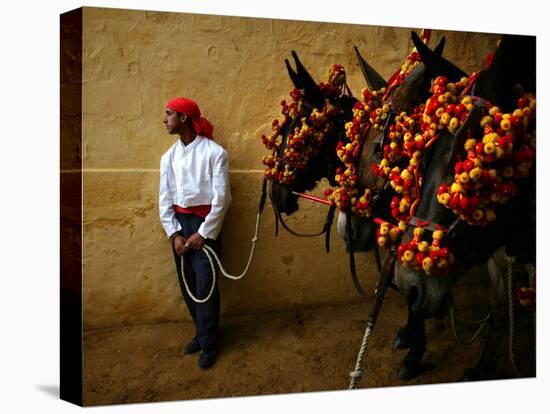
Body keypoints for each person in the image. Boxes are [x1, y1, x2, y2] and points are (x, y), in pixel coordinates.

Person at [159, 97, 231, 369]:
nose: (164, 120)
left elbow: (222, 199)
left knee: (205, 286)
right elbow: (164, 198)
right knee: (187, 282)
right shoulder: (168, 157)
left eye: (169, 114)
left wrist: (205, 233)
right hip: (181, 226)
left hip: (205, 227)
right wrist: (174, 233)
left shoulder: (215, 153)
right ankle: (201, 335)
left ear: (185, 118)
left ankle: (210, 344)